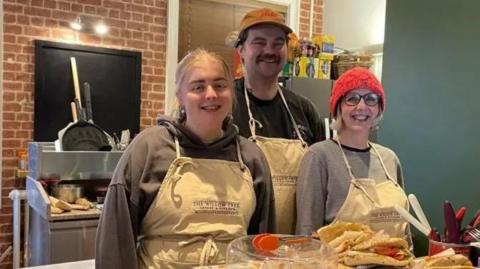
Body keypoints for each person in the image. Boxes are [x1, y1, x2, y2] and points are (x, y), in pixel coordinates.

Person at [95, 49, 275, 269]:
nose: (211, 94)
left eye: (220, 85)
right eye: (198, 87)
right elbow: (116, 239)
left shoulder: (251, 156)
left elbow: (263, 246)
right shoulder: (148, 149)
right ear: (180, 96)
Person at [233, 7, 324, 234]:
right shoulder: (225, 106)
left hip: (295, 246)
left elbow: (322, 179)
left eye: (277, 43)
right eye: (259, 42)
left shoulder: (305, 110)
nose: (269, 50)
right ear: (241, 50)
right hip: (241, 245)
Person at [296, 67, 409, 239]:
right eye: (352, 99)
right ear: (338, 107)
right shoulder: (319, 156)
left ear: (379, 109)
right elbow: (306, 235)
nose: (361, 106)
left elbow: (404, 230)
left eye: (371, 99)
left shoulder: (389, 159)